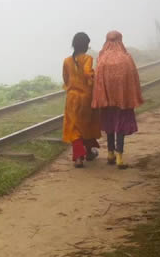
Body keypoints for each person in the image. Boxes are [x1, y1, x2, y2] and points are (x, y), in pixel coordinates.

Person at [91, 30, 144, 169]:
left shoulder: (102, 59)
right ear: (120, 40)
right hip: (123, 100)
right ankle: (119, 157)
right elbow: (134, 79)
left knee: (109, 124)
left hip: (107, 100)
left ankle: (110, 154)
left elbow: (98, 81)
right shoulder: (126, 58)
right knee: (120, 125)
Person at [61, 32, 102, 168]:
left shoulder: (67, 61)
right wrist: (92, 79)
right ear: (85, 45)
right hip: (86, 98)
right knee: (87, 125)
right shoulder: (88, 58)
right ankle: (89, 152)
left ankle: (78, 158)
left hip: (72, 98)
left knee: (74, 127)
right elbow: (87, 73)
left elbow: (66, 79)